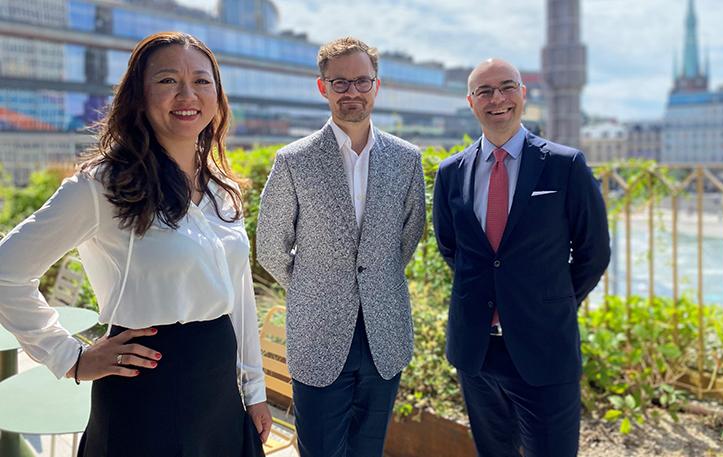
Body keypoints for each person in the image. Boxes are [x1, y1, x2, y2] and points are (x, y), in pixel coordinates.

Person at [0, 32, 271, 456]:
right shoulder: (100, 187)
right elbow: (6, 272)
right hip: (146, 387)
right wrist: (69, 357)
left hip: (219, 386)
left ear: (217, 96)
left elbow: (239, 295)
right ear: (138, 96)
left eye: (202, 81)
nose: (187, 95)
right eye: (167, 80)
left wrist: (254, 390)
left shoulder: (222, 189)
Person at [255, 36, 426, 457]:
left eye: (362, 81)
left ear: (376, 85)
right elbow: (271, 246)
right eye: (340, 83)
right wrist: (314, 286)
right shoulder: (293, 161)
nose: (352, 91)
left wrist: (375, 278)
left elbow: (409, 237)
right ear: (323, 87)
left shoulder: (406, 159)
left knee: (368, 450)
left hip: (385, 334)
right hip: (317, 334)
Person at [432, 58, 610, 456]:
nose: (497, 99)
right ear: (471, 102)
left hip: (544, 346)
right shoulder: (450, 172)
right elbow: (452, 248)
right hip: (476, 351)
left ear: (523, 94)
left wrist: (552, 303)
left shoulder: (566, 166)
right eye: (484, 91)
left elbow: (594, 252)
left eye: (507, 87)